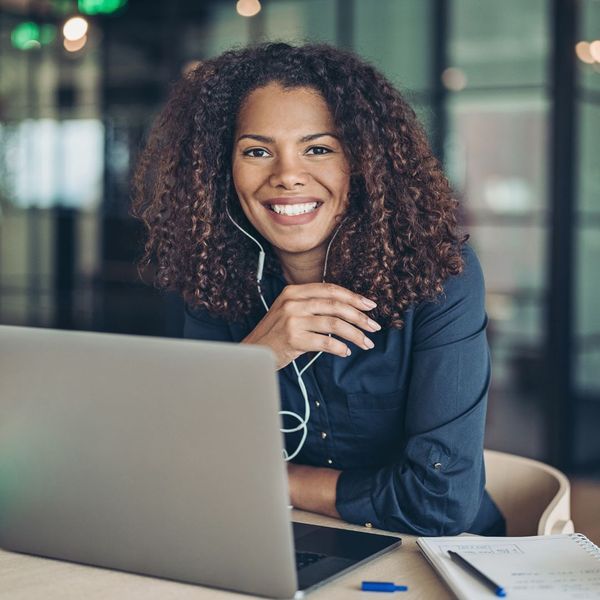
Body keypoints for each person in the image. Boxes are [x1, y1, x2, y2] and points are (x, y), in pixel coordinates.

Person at [131, 41, 505, 536]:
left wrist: (273, 480)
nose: (287, 176)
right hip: (275, 542)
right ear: (223, 169)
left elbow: (440, 501)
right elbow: (182, 462)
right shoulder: (210, 276)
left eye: (318, 148)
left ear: (364, 162)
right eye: (257, 151)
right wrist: (255, 360)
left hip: (436, 554)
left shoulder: (440, 275)